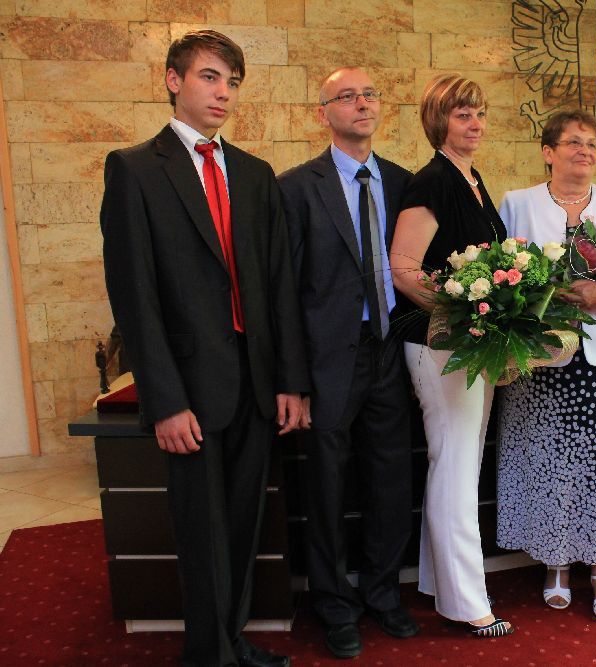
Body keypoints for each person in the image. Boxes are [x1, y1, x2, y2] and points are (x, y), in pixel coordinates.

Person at [100, 30, 308, 667]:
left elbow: (279, 288)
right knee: (201, 531)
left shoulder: (253, 174)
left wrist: (290, 382)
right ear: (173, 80)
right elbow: (134, 295)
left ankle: (231, 640)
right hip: (188, 390)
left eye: (233, 82)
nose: (224, 93)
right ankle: (207, 654)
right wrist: (163, 401)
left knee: (244, 525)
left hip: (254, 382)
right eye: (210, 77)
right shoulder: (135, 168)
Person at [278, 67, 417, 660]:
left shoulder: (404, 182)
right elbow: (282, 291)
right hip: (329, 359)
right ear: (323, 113)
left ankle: (384, 593)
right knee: (328, 487)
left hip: (391, 349)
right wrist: (293, 379)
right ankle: (335, 604)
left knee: (390, 481)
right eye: (347, 96)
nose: (361, 104)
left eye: (370, 94)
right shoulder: (294, 188)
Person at [496, 110, 596, 621]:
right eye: (573, 142)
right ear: (548, 151)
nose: (584, 151)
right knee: (548, 459)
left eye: (592, 144)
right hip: (540, 358)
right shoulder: (517, 204)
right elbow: (501, 275)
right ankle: (555, 561)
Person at [389, 74, 512, 637]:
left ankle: (442, 584)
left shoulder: (474, 179)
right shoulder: (432, 181)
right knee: (457, 465)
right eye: (464, 114)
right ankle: (470, 603)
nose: (475, 124)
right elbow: (404, 269)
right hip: (439, 344)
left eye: (480, 113)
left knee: (459, 460)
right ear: (439, 121)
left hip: (470, 344)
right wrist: (464, 310)